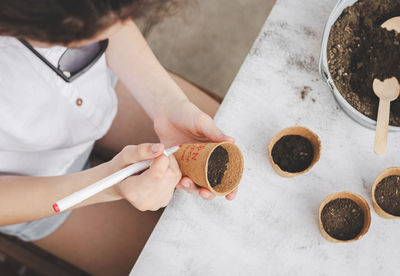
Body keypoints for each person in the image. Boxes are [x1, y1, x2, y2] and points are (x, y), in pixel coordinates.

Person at [0, 1, 237, 275]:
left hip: (98, 86)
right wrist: (107, 187)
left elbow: (106, 19)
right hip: (35, 186)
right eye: (71, 37)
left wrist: (168, 105)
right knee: (188, 263)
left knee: (240, 141)